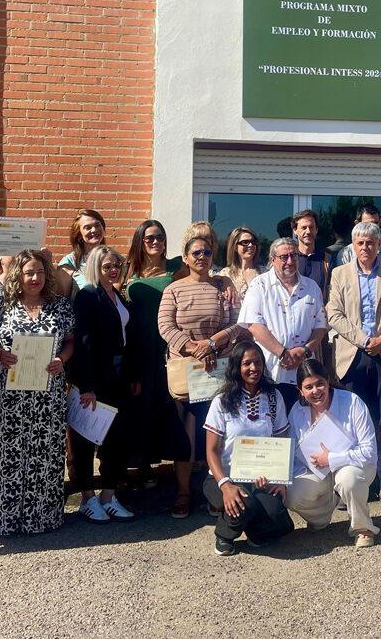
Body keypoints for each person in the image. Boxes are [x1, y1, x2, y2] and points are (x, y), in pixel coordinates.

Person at [0, 251, 74, 535]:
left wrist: (61, 359)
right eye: (29, 272)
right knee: (4, 454)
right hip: (5, 396)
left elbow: (70, 341)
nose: (35, 278)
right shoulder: (2, 303)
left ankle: (41, 518)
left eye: (40, 272)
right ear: (18, 275)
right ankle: (0, 518)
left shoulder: (60, 306)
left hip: (46, 395)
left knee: (43, 454)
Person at [158, 224, 246, 518]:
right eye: (196, 253)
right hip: (186, 370)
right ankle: (183, 492)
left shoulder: (224, 287)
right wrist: (193, 348)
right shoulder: (173, 289)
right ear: (185, 257)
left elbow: (237, 323)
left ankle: (214, 491)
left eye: (207, 252)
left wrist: (211, 345)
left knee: (215, 432)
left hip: (217, 368)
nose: (202, 257)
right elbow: (165, 326)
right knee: (186, 435)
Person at [326, 220, 381, 509]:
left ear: (378, 245)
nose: (365, 248)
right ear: (353, 246)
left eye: (370, 243)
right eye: (360, 243)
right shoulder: (339, 273)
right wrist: (364, 340)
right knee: (350, 424)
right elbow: (334, 314)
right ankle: (351, 486)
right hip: (353, 355)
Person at [69, 245, 140, 522]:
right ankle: (87, 498)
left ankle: (108, 496)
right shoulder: (88, 295)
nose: (112, 271)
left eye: (116, 266)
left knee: (116, 437)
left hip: (118, 377)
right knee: (86, 439)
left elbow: (126, 339)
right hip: (95, 377)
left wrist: (132, 375)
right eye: (106, 266)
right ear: (96, 268)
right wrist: (86, 385)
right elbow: (83, 341)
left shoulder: (117, 295)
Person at [203, 340, 295, 556]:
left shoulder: (274, 397)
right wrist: (226, 485)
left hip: (260, 478)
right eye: (247, 363)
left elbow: (281, 439)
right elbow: (211, 450)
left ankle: (255, 532)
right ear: (237, 366)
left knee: (278, 518)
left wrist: (280, 480)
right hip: (222, 477)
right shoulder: (222, 401)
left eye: (258, 362)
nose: (254, 368)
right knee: (243, 503)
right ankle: (224, 535)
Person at [123, 219, 191, 489]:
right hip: (139, 349)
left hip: (168, 347)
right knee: (141, 405)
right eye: (149, 237)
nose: (155, 242)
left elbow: (200, 281)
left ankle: (179, 472)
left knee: (171, 406)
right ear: (140, 241)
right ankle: (142, 468)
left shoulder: (177, 268)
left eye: (160, 237)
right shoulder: (129, 271)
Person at [286, 359, 379, 548]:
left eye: (320, 384)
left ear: (328, 381)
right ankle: (321, 517)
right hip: (317, 471)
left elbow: (369, 452)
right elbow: (292, 452)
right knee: (291, 494)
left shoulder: (352, 402)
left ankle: (362, 528)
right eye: (308, 387)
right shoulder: (297, 411)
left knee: (348, 479)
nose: (316, 391)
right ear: (300, 390)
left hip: (353, 466)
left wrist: (331, 459)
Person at [239, 237, 327, 410]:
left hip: (305, 373)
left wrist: (305, 350)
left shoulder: (312, 287)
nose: (290, 261)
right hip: (270, 370)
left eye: (294, 256)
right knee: (272, 419)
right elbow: (254, 325)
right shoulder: (259, 285)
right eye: (284, 257)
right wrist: (283, 353)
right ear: (272, 260)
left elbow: (321, 326)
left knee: (304, 420)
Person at [58, 208, 107, 293]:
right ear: (79, 234)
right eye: (88, 227)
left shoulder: (112, 258)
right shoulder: (69, 262)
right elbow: (62, 297)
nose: (94, 230)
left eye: (97, 225)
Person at [333, 203, 381, 267]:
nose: (373, 227)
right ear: (357, 223)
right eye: (367, 224)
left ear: (380, 222)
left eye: (376, 223)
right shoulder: (346, 254)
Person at [291, 208, 329, 294]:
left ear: (316, 230)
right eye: (304, 228)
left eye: (311, 227)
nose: (308, 231)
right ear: (295, 231)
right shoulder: (289, 258)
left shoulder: (326, 259)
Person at [220, 226, 262, 302]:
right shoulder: (226, 274)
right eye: (245, 242)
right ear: (235, 247)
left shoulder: (264, 272)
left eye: (253, 242)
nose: (250, 245)